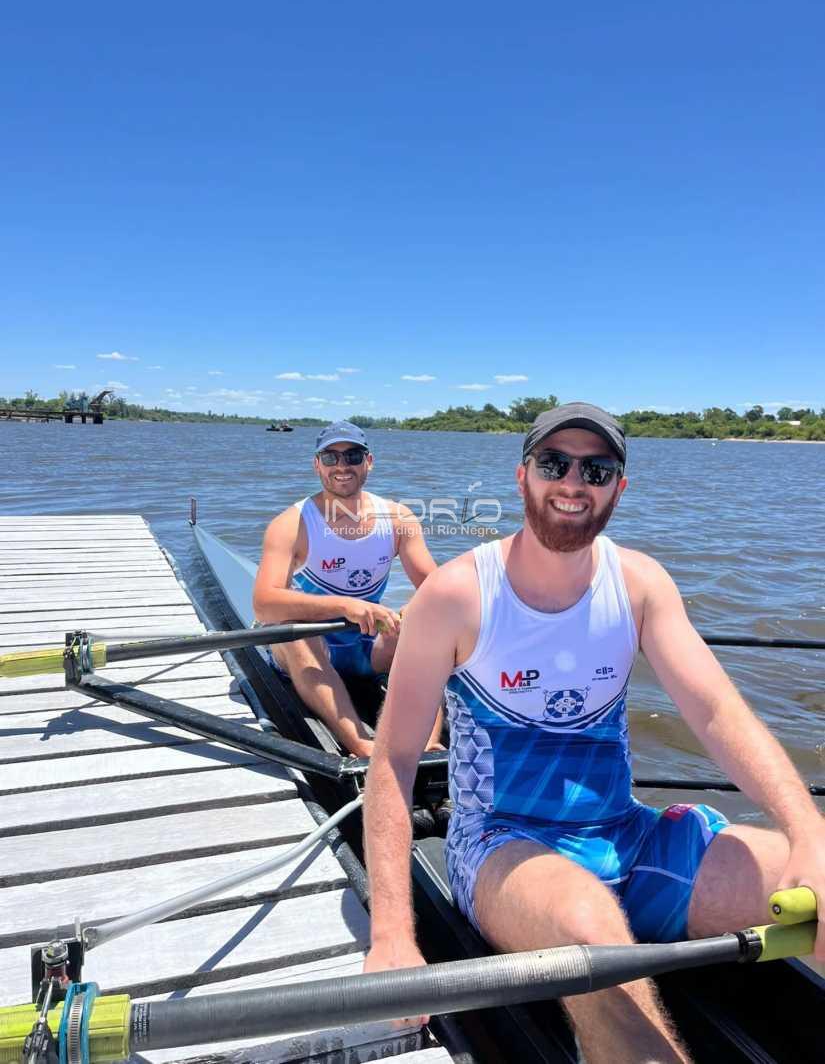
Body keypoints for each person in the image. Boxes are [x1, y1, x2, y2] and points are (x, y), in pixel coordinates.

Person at [363, 402, 825, 1063]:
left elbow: (717, 713)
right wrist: (392, 934)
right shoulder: (454, 595)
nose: (573, 482)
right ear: (522, 476)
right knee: (592, 937)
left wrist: (807, 830)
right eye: (554, 463)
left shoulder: (639, 584)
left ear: (618, 488)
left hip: (627, 836)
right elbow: (393, 762)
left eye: (596, 469)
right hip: (502, 843)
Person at [253, 420, 441, 758]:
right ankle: (359, 744)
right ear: (317, 465)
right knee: (294, 633)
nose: (342, 466)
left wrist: (415, 610)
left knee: (429, 624)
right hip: (311, 646)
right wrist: (344, 606)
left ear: (369, 462)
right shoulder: (291, 524)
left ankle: (428, 746)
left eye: (352, 456)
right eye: (331, 457)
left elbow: (438, 589)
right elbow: (264, 604)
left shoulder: (398, 519)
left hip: (368, 647)